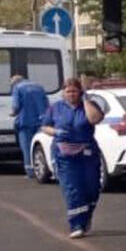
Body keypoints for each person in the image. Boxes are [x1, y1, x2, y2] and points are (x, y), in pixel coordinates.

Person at [40, 78, 104, 238]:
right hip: (64, 153)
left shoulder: (88, 106)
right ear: (63, 93)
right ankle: (76, 225)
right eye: (68, 91)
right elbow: (44, 126)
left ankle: (86, 216)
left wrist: (86, 101)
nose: (71, 94)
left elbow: (94, 119)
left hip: (87, 152)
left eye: (74, 91)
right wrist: (55, 132)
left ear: (80, 92)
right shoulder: (55, 108)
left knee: (92, 187)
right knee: (73, 188)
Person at [9, 74, 50, 178]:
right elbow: (47, 104)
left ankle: (30, 172)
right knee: (40, 146)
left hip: (26, 121)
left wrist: (12, 113)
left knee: (26, 147)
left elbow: (16, 106)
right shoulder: (39, 87)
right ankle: (42, 169)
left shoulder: (17, 88)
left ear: (14, 82)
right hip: (42, 121)